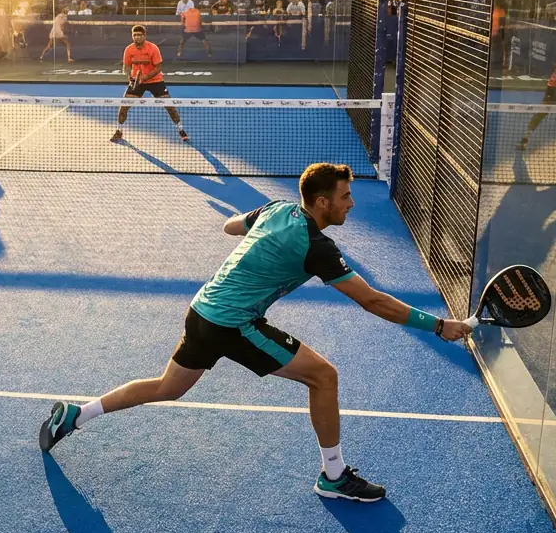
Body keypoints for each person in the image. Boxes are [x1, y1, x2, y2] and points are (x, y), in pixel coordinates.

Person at [39, 164, 472, 501]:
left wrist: (258, 239)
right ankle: (335, 476)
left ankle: (77, 415)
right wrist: (437, 325)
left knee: (168, 387)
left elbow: (231, 226)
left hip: (203, 310)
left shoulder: (277, 208)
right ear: (321, 203)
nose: (351, 204)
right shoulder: (316, 247)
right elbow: (372, 301)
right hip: (233, 324)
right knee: (324, 376)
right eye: (344, 197)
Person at [113, 25, 186, 142]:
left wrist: (145, 78)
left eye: (139, 35)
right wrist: (130, 78)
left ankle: (180, 129)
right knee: (123, 107)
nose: (137, 37)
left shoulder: (153, 48)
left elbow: (158, 68)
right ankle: (119, 130)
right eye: (135, 35)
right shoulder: (129, 49)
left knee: (170, 106)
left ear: (144, 36)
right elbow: (126, 67)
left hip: (155, 80)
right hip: (137, 82)